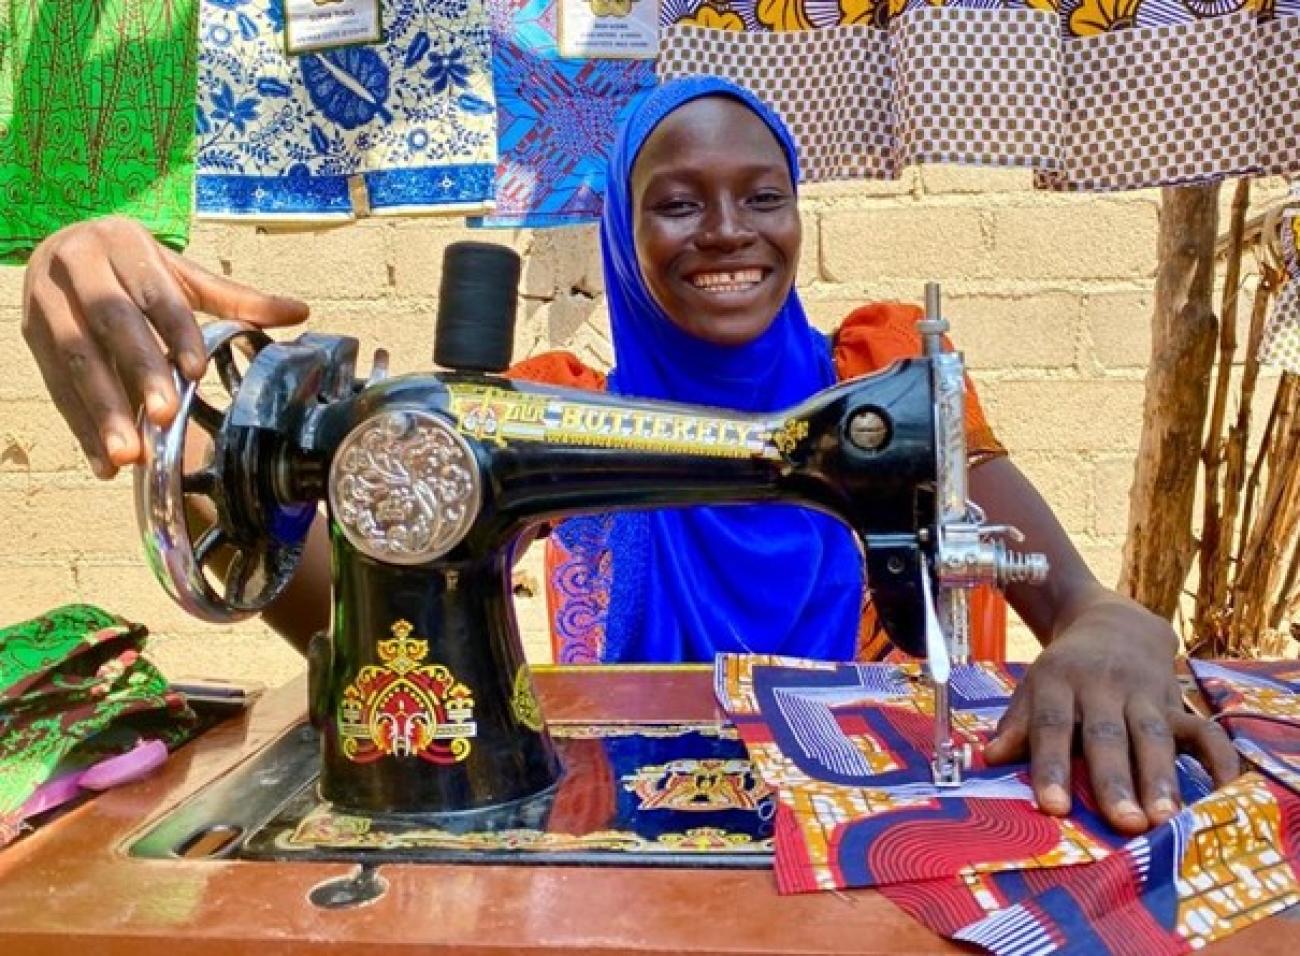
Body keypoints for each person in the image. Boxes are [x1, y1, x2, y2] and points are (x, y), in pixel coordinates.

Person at [20, 75, 1239, 837]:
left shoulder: (878, 389)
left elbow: (1074, 602)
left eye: (762, 196)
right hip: (614, 839)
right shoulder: (535, 415)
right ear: (616, 227)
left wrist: (1110, 628)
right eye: (676, 201)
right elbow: (345, 621)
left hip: (859, 847)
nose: (727, 234)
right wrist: (185, 426)